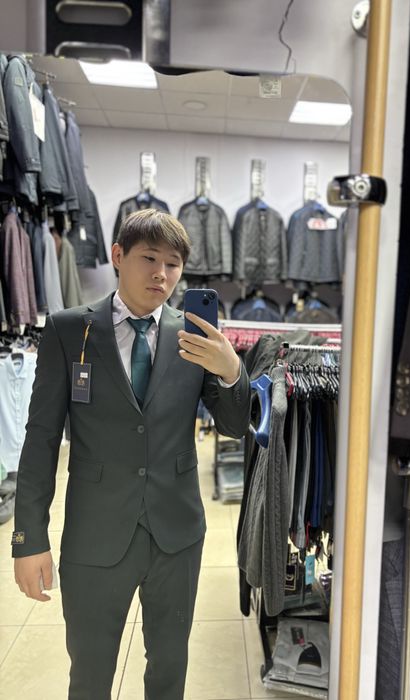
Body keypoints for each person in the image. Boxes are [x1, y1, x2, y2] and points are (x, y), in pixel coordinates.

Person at [11, 209, 251, 699]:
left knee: (169, 668)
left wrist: (232, 371)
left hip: (176, 534)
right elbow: (40, 439)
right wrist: (28, 539)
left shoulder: (193, 336)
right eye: (149, 258)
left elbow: (231, 426)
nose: (161, 274)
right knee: (90, 672)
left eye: (173, 264)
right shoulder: (67, 330)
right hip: (95, 535)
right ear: (118, 255)